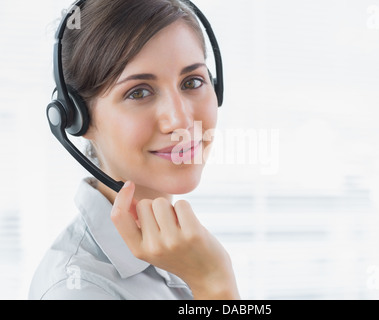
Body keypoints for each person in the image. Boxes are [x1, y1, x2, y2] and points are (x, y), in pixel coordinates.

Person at [29, 0, 240, 300]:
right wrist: (214, 286)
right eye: (138, 92)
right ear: (77, 118)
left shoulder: (182, 251)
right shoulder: (77, 289)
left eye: (192, 81)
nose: (179, 120)